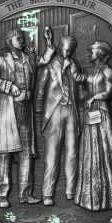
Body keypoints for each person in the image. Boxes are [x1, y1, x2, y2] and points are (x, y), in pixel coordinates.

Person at [0, 28, 54, 208]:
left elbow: (44, 59)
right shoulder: (0, 59)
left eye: (22, 38)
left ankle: (25, 194)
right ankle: (3, 195)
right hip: (8, 110)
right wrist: (9, 85)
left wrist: (49, 43)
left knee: (26, 153)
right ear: (9, 41)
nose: (21, 41)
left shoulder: (29, 58)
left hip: (26, 110)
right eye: (18, 38)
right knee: (5, 153)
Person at [69, 40, 112, 211]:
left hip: (102, 112)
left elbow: (109, 92)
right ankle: (91, 196)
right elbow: (79, 78)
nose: (89, 54)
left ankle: (110, 195)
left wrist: (93, 97)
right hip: (90, 113)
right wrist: (71, 64)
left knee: (105, 149)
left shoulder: (108, 70)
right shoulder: (90, 71)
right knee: (90, 150)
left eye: (92, 52)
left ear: (99, 53)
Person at [36, 35, 81, 206]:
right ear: (60, 47)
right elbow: (41, 90)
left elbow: (80, 88)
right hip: (55, 111)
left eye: (71, 50)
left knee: (72, 153)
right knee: (52, 154)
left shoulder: (75, 64)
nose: (69, 52)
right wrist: (39, 113)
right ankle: (47, 194)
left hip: (72, 111)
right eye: (66, 49)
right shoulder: (50, 65)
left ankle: (71, 191)